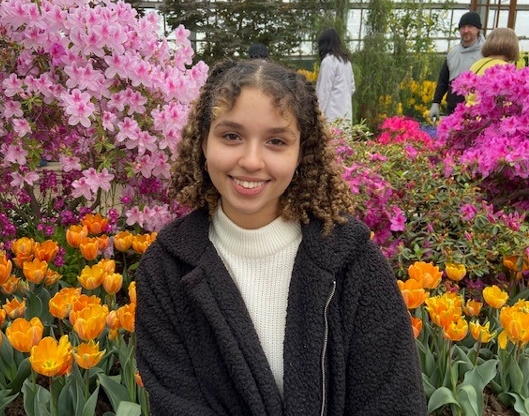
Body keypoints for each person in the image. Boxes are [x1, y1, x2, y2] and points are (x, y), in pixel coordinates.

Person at [135, 58, 427, 416]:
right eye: (231, 136)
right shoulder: (166, 271)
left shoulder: (354, 264)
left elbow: (393, 402)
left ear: (301, 152)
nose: (252, 161)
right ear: (203, 142)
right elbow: (177, 406)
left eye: (276, 141)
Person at [429, 11, 485, 119]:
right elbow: (443, 80)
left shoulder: (485, 53)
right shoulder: (453, 52)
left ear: (478, 29)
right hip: (452, 109)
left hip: (476, 112)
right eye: (462, 27)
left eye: (470, 26)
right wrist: (436, 103)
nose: (465, 30)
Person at [315, 27, 356, 128]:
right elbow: (352, 88)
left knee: (331, 140)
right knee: (343, 141)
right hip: (345, 114)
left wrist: (317, 115)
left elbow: (323, 92)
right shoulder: (346, 62)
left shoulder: (328, 62)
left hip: (331, 115)